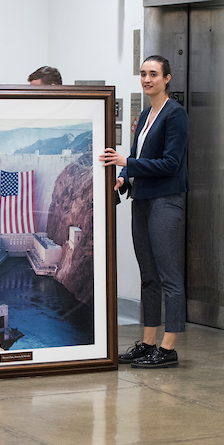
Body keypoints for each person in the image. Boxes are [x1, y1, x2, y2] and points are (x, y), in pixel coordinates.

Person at [100, 55, 189, 368]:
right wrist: (124, 178)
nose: (147, 79)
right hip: (142, 200)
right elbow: (140, 158)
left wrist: (127, 163)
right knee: (148, 276)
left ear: (167, 79)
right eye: (143, 74)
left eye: (153, 74)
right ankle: (149, 342)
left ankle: (168, 348)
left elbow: (171, 164)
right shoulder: (145, 114)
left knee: (169, 276)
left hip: (165, 201)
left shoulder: (175, 115)